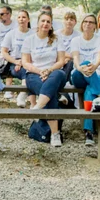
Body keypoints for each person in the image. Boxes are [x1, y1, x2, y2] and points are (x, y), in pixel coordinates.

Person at [21, 12, 68, 147]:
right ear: (38, 23)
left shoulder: (56, 39)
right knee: (50, 93)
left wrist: (49, 70)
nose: (45, 24)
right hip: (34, 75)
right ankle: (55, 134)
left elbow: (61, 61)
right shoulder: (29, 40)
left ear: (51, 25)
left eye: (48, 21)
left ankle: (37, 108)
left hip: (53, 74)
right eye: (43, 21)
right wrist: (40, 71)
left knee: (59, 74)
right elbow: (25, 63)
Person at [70, 13, 100, 146]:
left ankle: (89, 132)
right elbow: (75, 59)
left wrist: (94, 67)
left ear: (95, 26)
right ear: (82, 24)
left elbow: (99, 58)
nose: (88, 24)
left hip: (98, 75)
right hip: (78, 75)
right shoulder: (76, 40)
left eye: (91, 22)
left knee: (88, 92)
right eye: (85, 21)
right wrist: (81, 68)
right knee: (85, 61)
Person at [0, 9, 33, 106]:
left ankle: (26, 97)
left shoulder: (33, 34)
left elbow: (35, 52)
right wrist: (15, 61)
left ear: (28, 19)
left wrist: (24, 61)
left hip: (29, 62)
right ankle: (23, 96)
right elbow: (4, 51)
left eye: (24, 17)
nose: (21, 19)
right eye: (19, 17)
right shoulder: (11, 34)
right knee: (26, 72)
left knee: (28, 71)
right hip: (14, 63)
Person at [55, 11, 80, 82]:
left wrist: (68, 58)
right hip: (57, 60)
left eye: (71, 20)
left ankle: (63, 85)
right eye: (67, 19)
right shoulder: (56, 34)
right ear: (63, 21)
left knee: (71, 63)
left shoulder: (78, 35)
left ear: (75, 22)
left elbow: (78, 52)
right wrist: (63, 58)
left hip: (71, 61)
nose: (69, 22)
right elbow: (54, 50)